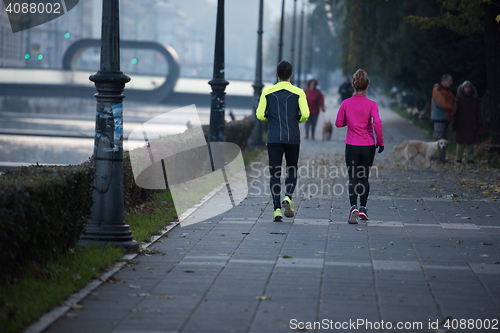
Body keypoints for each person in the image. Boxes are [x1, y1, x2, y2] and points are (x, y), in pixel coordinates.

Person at [256, 61, 310, 222]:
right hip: (292, 137)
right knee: (292, 169)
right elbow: (306, 114)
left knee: (275, 173)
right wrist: (296, 120)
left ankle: (277, 209)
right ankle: (288, 197)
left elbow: (259, 115)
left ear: (276, 74)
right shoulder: (299, 92)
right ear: (291, 75)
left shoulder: (267, 92)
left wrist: (270, 118)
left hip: (274, 137)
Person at [335, 69, 383, 224]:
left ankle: (353, 207)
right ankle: (363, 208)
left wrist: (349, 121)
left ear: (353, 86)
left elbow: (338, 123)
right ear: (367, 86)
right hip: (368, 145)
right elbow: (377, 123)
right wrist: (380, 142)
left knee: (353, 177)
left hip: (352, 145)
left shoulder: (346, 103)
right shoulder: (371, 104)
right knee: (364, 177)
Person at [453, 80, 482, 164]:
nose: (467, 89)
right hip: (460, 124)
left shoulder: (474, 98)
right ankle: (459, 158)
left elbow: (478, 112)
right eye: (465, 87)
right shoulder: (458, 98)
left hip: (471, 124)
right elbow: (455, 112)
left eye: (469, 87)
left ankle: (470, 159)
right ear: (462, 88)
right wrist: (454, 123)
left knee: (470, 143)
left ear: (471, 88)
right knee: (460, 143)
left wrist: (479, 123)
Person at [431, 74, 456, 163]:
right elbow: (443, 104)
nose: (451, 83)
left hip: (446, 118)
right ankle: (435, 158)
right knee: (438, 139)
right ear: (444, 81)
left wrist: (453, 107)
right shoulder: (438, 90)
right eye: (450, 81)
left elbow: (454, 101)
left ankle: (442, 158)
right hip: (439, 118)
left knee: (444, 140)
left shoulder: (447, 91)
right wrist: (453, 108)